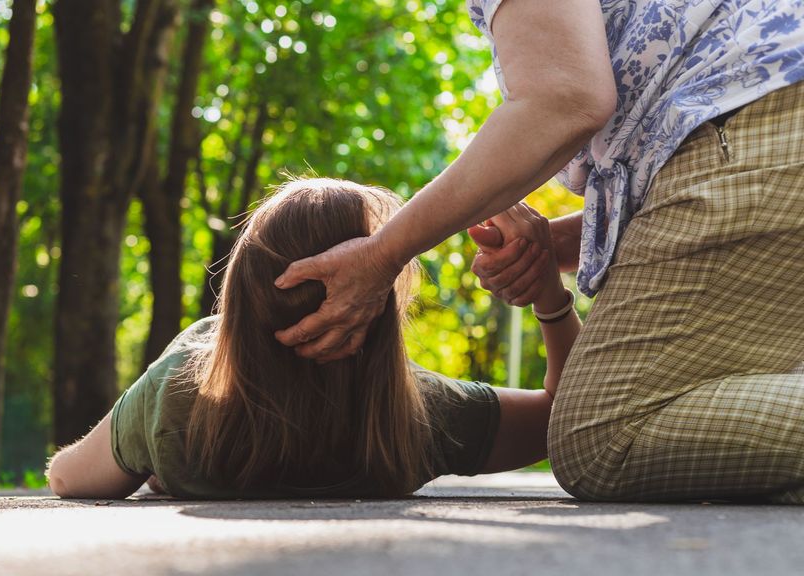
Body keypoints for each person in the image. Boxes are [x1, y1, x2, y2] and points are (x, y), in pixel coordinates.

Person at [272, 0, 804, 503]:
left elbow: (564, 98)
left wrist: (384, 253)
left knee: (603, 440)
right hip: (770, 113)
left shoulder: (195, 393)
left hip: (754, 118)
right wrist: (548, 254)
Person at [45, 179, 578, 499]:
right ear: (378, 308)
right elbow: (566, 418)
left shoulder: (180, 396)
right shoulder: (420, 415)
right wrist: (551, 299)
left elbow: (68, 479)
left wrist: (158, 448)